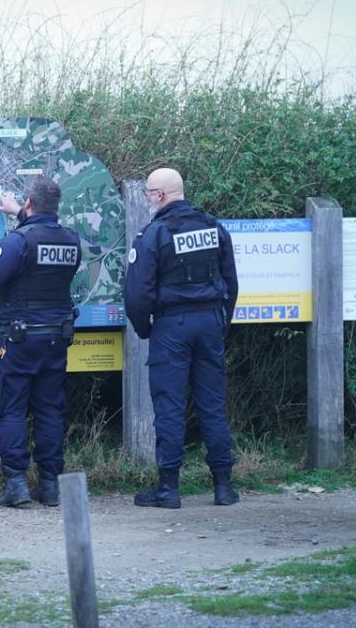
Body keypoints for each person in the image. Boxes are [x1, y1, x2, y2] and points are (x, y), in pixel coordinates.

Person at [124, 167, 239, 508]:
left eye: (148, 193)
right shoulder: (213, 227)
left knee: (170, 407)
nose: (148, 198)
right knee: (212, 405)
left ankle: (169, 490)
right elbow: (231, 283)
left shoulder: (154, 234)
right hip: (210, 324)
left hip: (172, 327)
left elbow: (137, 294)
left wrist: (146, 329)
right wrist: (222, 324)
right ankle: (223, 487)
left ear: (159, 195)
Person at [0, 175, 82, 508]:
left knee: (10, 408)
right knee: (49, 409)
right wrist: (19, 212)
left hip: (18, 340)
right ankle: (50, 486)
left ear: (30, 203)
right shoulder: (70, 241)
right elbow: (40, 235)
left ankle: (16, 483)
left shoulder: (18, 242)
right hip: (55, 339)